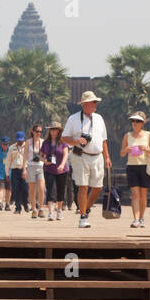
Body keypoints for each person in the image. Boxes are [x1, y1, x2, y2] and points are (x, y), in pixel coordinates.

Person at [63, 90, 111, 228]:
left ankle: (86, 208)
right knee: (83, 186)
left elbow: (104, 140)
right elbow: (64, 138)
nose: (96, 104)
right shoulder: (73, 118)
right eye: (93, 102)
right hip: (80, 155)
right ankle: (83, 216)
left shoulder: (99, 118)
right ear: (85, 104)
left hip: (97, 156)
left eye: (96, 102)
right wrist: (77, 140)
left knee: (98, 187)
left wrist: (107, 157)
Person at [120, 111, 150, 229]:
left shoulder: (148, 135)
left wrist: (146, 148)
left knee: (143, 195)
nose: (134, 123)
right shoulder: (127, 135)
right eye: (133, 121)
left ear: (143, 123)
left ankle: (141, 217)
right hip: (131, 167)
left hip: (145, 166)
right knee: (135, 194)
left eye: (138, 121)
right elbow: (121, 153)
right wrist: (126, 150)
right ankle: (135, 219)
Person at [41, 120, 70, 221]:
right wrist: (44, 161)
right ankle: (50, 212)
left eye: (55, 129)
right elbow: (40, 156)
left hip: (62, 170)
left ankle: (59, 210)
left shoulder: (63, 142)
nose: (53, 131)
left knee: (61, 190)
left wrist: (62, 164)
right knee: (50, 190)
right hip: (49, 169)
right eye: (51, 129)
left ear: (59, 131)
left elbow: (66, 154)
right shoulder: (45, 143)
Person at [5, 131, 30, 214]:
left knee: (25, 189)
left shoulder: (27, 146)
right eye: (18, 140)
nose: (20, 141)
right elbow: (8, 161)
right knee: (16, 189)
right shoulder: (12, 148)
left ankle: (25, 204)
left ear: (24, 139)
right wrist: (7, 173)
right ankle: (18, 208)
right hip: (15, 170)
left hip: (25, 170)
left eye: (21, 140)